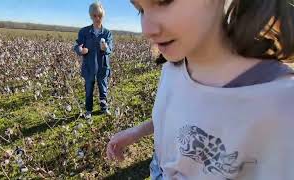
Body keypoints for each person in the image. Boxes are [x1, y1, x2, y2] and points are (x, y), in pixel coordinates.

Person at [107, 0, 294, 179]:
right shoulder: (173, 65)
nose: (147, 30)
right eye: (140, 9)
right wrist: (137, 132)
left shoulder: (281, 102)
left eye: (164, 1)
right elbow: (178, 118)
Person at [74, 2, 113, 119]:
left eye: (99, 15)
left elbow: (110, 49)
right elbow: (76, 46)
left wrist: (105, 48)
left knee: (103, 87)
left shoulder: (107, 33)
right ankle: (88, 110)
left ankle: (104, 108)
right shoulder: (84, 32)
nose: (97, 18)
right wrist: (80, 50)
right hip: (89, 66)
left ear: (103, 16)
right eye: (94, 15)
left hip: (102, 66)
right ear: (91, 16)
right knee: (89, 89)